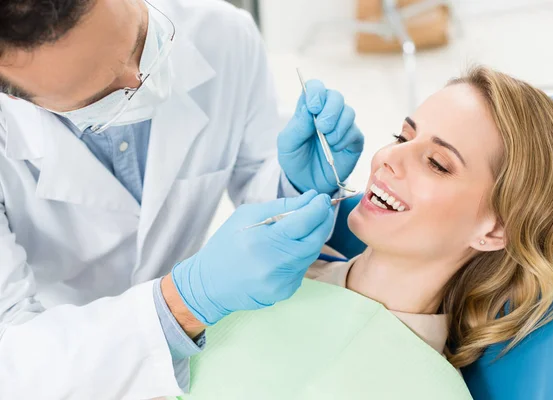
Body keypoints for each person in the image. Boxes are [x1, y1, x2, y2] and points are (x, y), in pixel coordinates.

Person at [0, 0, 364, 398]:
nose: (141, 80)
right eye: (103, 96)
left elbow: (254, 173)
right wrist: (181, 302)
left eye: (141, 41)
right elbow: (14, 364)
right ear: (16, 96)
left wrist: (293, 185)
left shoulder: (223, 34)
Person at [306, 65, 553, 366]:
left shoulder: (423, 387)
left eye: (436, 163)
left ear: (495, 231)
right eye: (402, 138)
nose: (388, 157)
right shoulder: (275, 268)